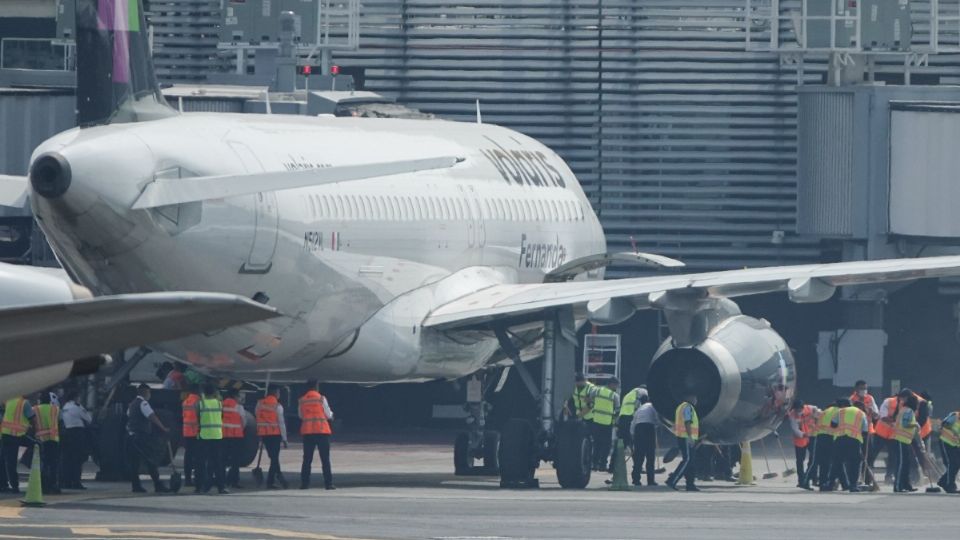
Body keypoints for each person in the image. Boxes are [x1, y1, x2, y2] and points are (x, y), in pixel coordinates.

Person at [125, 384, 170, 493]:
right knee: (151, 460)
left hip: (132, 437)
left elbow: (129, 418)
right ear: (146, 392)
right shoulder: (143, 403)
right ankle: (158, 485)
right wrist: (163, 428)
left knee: (134, 463)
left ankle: (136, 486)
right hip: (142, 437)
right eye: (149, 392)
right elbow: (152, 416)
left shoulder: (132, 404)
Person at [299, 380, 335, 490]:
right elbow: (328, 415)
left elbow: (301, 415)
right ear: (316, 387)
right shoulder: (321, 398)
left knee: (307, 459)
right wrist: (332, 416)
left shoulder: (302, 400)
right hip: (321, 431)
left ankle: (305, 484)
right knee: (325, 459)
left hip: (308, 432)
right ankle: (328, 484)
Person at [194, 384, 227, 494]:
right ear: (214, 393)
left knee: (201, 463)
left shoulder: (201, 404)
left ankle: (201, 486)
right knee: (218, 463)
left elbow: (198, 418)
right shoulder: (219, 403)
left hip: (204, 436)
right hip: (217, 435)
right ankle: (221, 487)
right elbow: (221, 416)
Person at [830, 398, 868, 492]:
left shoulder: (840, 411)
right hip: (854, 440)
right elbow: (865, 431)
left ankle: (833, 483)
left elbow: (833, 424)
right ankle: (853, 485)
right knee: (854, 463)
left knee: (837, 461)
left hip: (840, 439)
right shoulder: (861, 413)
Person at [1, 395, 37, 493]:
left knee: (7, 461)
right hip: (18, 435)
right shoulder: (25, 403)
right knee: (37, 446)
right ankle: (15, 486)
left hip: (6, 434)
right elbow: (33, 419)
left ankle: (9, 485)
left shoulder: (9, 400)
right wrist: (35, 430)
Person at [256, 387, 288, 489]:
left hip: (264, 434)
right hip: (275, 434)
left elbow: (257, 415)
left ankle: (279, 475)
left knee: (273, 457)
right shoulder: (277, 406)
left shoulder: (260, 404)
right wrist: (284, 438)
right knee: (274, 459)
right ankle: (271, 481)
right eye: (278, 392)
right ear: (275, 393)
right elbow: (281, 423)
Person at [666, 394, 699, 492]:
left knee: (691, 461)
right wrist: (689, 436)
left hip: (684, 437)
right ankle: (672, 480)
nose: (696, 400)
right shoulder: (687, 407)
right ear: (689, 398)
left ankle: (690, 484)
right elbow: (687, 422)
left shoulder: (681, 407)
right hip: (685, 437)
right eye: (694, 397)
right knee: (687, 460)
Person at [60, 390, 92, 490]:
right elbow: (89, 418)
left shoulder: (65, 407)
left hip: (67, 433)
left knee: (67, 459)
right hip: (77, 434)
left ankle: (66, 481)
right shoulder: (76, 407)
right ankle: (76, 482)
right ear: (76, 397)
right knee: (78, 459)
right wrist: (81, 406)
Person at [33, 393, 62, 494]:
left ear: (40, 400)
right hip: (54, 439)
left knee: (43, 464)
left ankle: (43, 485)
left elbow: (32, 422)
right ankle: (54, 485)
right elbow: (60, 421)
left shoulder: (35, 409)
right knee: (53, 463)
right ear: (49, 400)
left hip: (41, 440)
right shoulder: (55, 409)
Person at [589, 378, 620, 471]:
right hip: (607, 423)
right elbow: (617, 410)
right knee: (606, 445)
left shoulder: (596, 390)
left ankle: (594, 464)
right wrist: (615, 421)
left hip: (596, 421)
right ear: (611, 384)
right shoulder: (614, 395)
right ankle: (602, 465)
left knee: (596, 443)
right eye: (616, 385)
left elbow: (590, 401)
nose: (616, 387)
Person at [788, 399, 818, 490]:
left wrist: (816, 417)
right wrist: (803, 434)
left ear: (802, 407)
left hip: (812, 435)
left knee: (814, 458)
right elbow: (795, 429)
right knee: (800, 460)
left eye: (799, 410)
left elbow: (817, 411)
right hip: (800, 438)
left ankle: (812, 477)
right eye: (796, 410)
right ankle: (801, 480)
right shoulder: (792, 415)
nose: (798, 412)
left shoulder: (810, 408)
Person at [892, 393, 919, 493]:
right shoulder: (908, 411)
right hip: (901, 440)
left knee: (906, 463)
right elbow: (905, 423)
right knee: (902, 464)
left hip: (906, 440)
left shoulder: (904, 409)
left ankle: (906, 485)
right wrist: (915, 424)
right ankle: (898, 486)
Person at [630, 392, 658, 486]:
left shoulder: (638, 409)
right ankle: (650, 481)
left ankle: (636, 479)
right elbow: (657, 418)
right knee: (650, 457)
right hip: (648, 428)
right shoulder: (652, 406)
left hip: (638, 429)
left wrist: (633, 436)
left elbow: (633, 424)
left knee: (638, 456)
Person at [811, 400, 839, 491]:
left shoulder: (824, 412)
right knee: (831, 462)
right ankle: (830, 482)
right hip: (831, 438)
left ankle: (822, 482)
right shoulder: (838, 411)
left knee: (822, 462)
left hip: (820, 437)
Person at [221, 388, 246, 489]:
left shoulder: (221, 405)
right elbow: (243, 420)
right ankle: (234, 481)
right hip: (236, 436)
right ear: (235, 396)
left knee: (222, 459)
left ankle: (222, 480)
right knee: (235, 461)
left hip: (223, 435)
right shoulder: (238, 407)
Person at [181, 384, 201, 487]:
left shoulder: (186, 401)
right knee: (197, 457)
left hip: (187, 432)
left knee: (188, 456)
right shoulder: (198, 401)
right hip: (196, 432)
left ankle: (187, 479)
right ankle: (197, 479)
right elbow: (200, 416)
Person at [937, 410, 959, 493]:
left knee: (956, 464)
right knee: (953, 463)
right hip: (946, 441)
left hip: (955, 444)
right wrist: (955, 432)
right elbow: (944, 424)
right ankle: (950, 485)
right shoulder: (954, 416)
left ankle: (943, 481)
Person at [617, 385, 646, 449]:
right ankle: (636, 456)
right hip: (631, 417)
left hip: (622, 417)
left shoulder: (628, 394)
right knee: (633, 438)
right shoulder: (643, 391)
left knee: (622, 439)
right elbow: (644, 405)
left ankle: (617, 457)